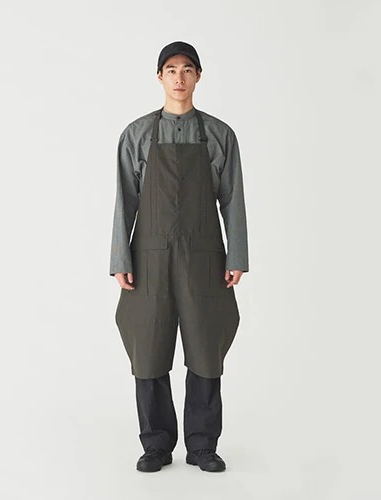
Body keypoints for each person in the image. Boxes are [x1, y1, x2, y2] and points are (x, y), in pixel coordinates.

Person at [109, 41, 249, 473]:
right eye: (171, 69)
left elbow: (233, 198)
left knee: (206, 346)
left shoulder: (220, 135)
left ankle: (203, 445)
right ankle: (156, 445)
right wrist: (120, 259)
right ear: (160, 77)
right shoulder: (136, 134)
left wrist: (237, 254)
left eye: (187, 69)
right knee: (148, 348)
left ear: (198, 76)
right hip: (148, 258)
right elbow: (125, 200)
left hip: (204, 257)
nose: (179, 77)